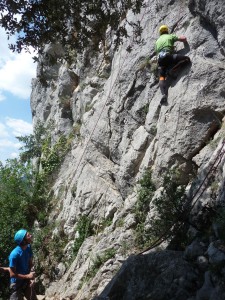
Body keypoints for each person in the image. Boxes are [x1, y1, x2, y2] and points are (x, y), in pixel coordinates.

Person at [155, 24, 191, 104]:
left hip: (160, 60)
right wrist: (184, 40)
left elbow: (157, 51)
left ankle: (164, 94)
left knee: (161, 77)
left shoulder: (157, 41)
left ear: (160, 33)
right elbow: (183, 38)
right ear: (167, 31)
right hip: (169, 57)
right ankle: (172, 71)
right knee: (187, 59)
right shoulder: (170, 36)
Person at [8, 229, 37, 300]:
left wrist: (32, 276)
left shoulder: (28, 247)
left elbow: (30, 264)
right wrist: (28, 276)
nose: (31, 236)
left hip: (26, 281)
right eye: (28, 236)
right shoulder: (14, 254)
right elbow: (12, 274)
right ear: (23, 241)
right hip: (16, 284)